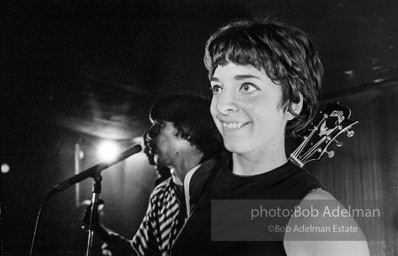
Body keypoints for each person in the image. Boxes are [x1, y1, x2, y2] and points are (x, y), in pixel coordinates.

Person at [172, 19, 370, 256]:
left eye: (247, 86)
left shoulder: (321, 222)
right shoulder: (198, 178)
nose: (223, 105)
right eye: (217, 88)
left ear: (292, 103)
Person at [85, 94, 226, 256]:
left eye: (160, 124)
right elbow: (144, 253)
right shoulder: (161, 196)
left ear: (188, 128)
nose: (149, 134)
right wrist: (104, 235)